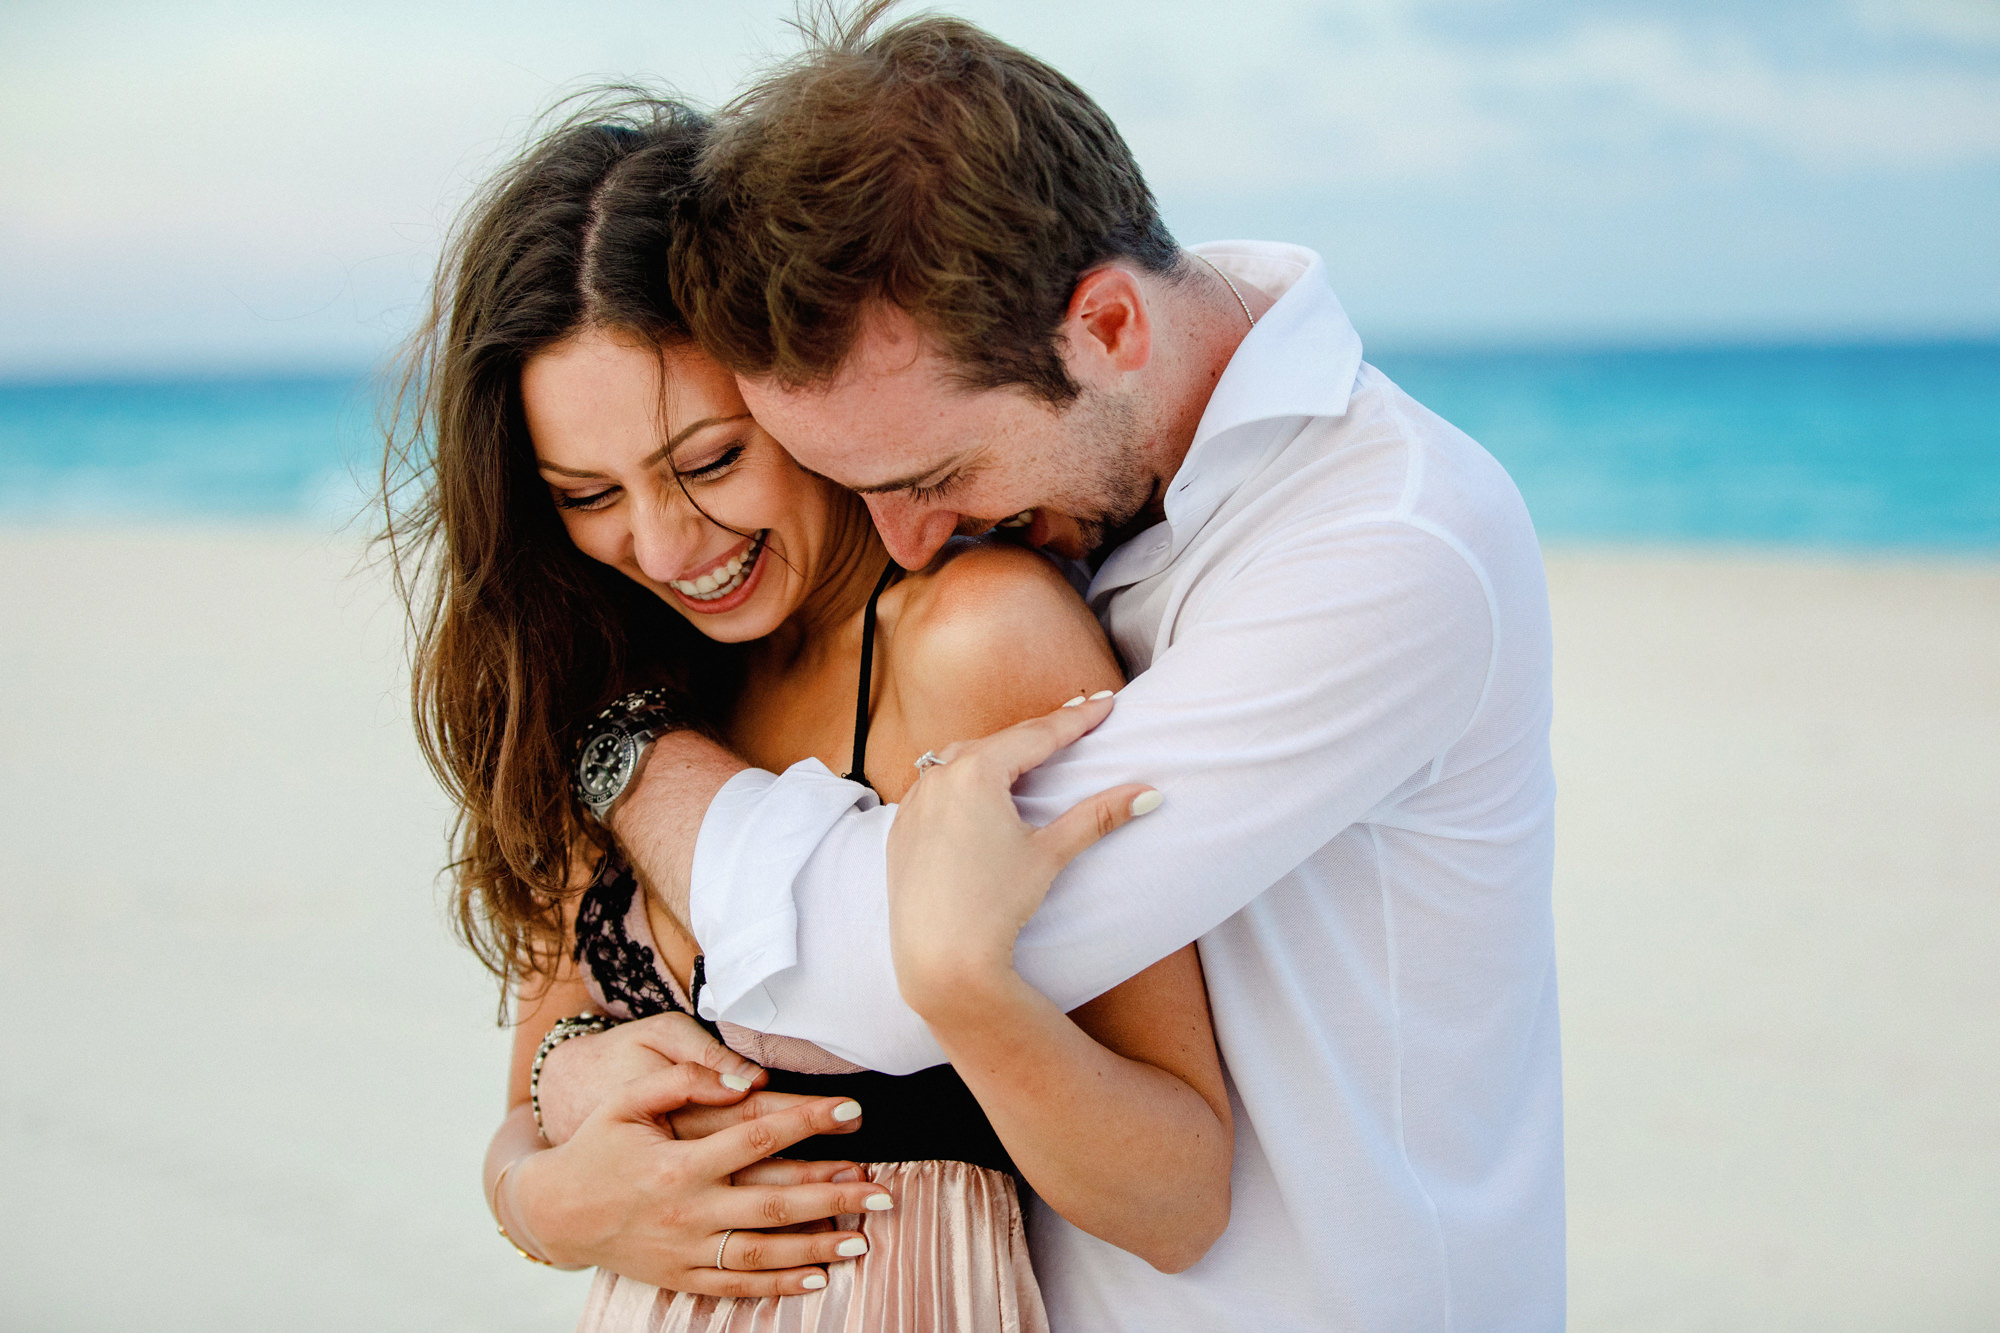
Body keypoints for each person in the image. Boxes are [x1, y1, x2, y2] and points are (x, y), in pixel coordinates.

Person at [525, 7, 1564, 1332]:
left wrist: (620, 753)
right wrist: (553, 1167)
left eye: (934, 476)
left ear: (1112, 327)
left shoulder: (1386, 552)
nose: (901, 541)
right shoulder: (1077, 474)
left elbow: (857, 975)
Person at [380, 92, 1233, 1331]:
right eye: (585, 492)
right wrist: (554, 1204)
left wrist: (965, 992)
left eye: (711, 460)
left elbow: (1179, 1193)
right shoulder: (614, 681)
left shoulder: (980, 642)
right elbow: (524, 1109)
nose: (668, 544)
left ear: (798, 388)